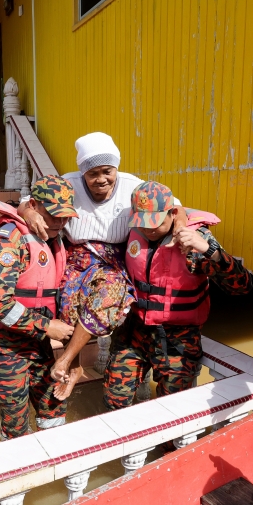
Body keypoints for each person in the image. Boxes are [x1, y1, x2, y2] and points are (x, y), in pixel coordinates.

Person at [17, 132, 189, 399]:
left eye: (107, 171)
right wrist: (28, 213)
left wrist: (181, 222)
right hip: (76, 255)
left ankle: (64, 361)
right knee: (67, 299)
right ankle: (74, 366)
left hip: (113, 259)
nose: (101, 180)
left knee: (109, 293)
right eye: (92, 173)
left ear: (116, 167)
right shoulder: (68, 184)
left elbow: (173, 204)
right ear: (82, 173)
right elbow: (29, 200)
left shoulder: (133, 186)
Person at [103, 182, 253, 409]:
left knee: (173, 410)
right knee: (115, 399)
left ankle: (168, 446)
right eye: (142, 223)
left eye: (155, 223)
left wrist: (210, 251)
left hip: (178, 338)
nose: (148, 230)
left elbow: (242, 287)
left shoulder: (196, 241)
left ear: (173, 213)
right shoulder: (134, 232)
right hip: (135, 330)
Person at [0, 175, 77, 439]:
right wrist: (47, 326)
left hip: (36, 342)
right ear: (34, 206)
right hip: (4, 346)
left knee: (53, 408)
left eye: (66, 217)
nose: (61, 223)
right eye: (54, 215)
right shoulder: (8, 239)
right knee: (16, 423)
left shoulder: (53, 237)